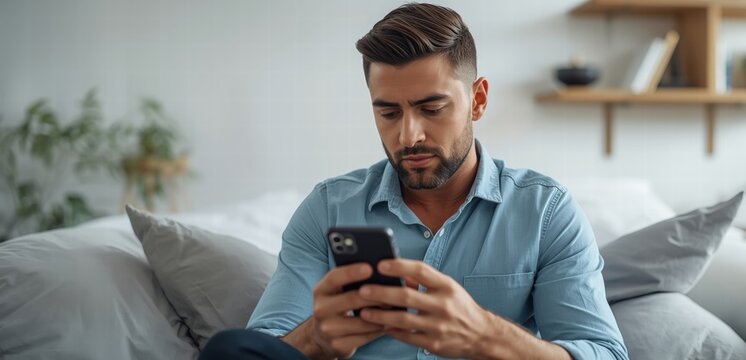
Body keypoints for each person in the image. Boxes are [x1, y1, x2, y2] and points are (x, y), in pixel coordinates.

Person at [200, 3, 628, 360]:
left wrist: (485, 335)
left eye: (432, 108)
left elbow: (604, 352)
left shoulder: (545, 212)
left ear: (477, 100)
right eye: (388, 113)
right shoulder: (328, 208)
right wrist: (315, 338)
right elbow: (262, 348)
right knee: (228, 349)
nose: (408, 135)